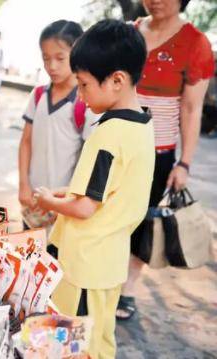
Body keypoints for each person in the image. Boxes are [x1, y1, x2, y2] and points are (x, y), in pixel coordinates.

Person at [35, 20, 155, 358]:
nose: (82, 96)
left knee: (74, 342)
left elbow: (86, 207)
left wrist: (48, 200)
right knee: (101, 339)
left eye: (85, 85)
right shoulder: (142, 126)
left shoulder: (108, 136)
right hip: (110, 259)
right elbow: (105, 191)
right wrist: (64, 192)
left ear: (117, 80)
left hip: (84, 263)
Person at [117, 0, 215, 320]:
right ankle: (102, 277)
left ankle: (127, 288)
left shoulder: (195, 44)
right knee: (106, 215)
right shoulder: (128, 33)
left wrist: (183, 163)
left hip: (157, 153)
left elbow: (191, 108)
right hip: (115, 143)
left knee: (143, 223)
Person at [18, 20, 94, 235]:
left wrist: (70, 198)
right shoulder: (38, 95)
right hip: (33, 199)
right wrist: (23, 184)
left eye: (60, 58)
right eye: (46, 58)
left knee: (56, 260)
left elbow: (88, 158)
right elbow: (25, 142)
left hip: (63, 204)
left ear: (78, 53)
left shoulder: (84, 102)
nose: (52, 66)